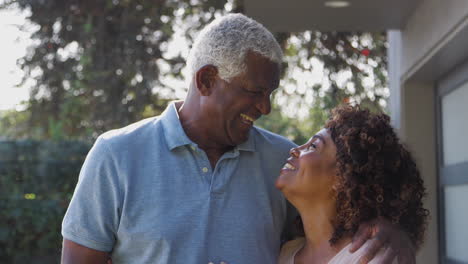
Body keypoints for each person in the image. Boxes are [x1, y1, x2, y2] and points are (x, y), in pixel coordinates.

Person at [61, 14, 415, 264]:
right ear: (206, 80)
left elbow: (345, 213)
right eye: (254, 91)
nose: (265, 107)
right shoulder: (116, 155)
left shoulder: (283, 161)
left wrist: (393, 232)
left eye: (271, 92)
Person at [276, 105, 429, 264]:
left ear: (343, 178)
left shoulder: (376, 259)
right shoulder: (287, 252)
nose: (294, 150)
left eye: (313, 146)